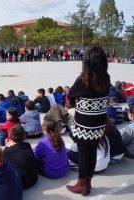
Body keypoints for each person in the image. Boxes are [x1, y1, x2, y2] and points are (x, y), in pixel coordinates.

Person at [66, 46, 110, 196]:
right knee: (92, 151)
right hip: (99, 124)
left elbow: (71, 94)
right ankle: (88, 182)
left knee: (84, 153)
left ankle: (81, 184)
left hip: (85, 124)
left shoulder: (83, 79)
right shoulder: (106, 78)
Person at [2, 124, 38, 189]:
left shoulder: (7, 151)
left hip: (22, 184)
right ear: (23, 136)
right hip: (34, 179)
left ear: (10, 136)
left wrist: (6, 147)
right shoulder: (27, 145)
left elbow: (3, 163)